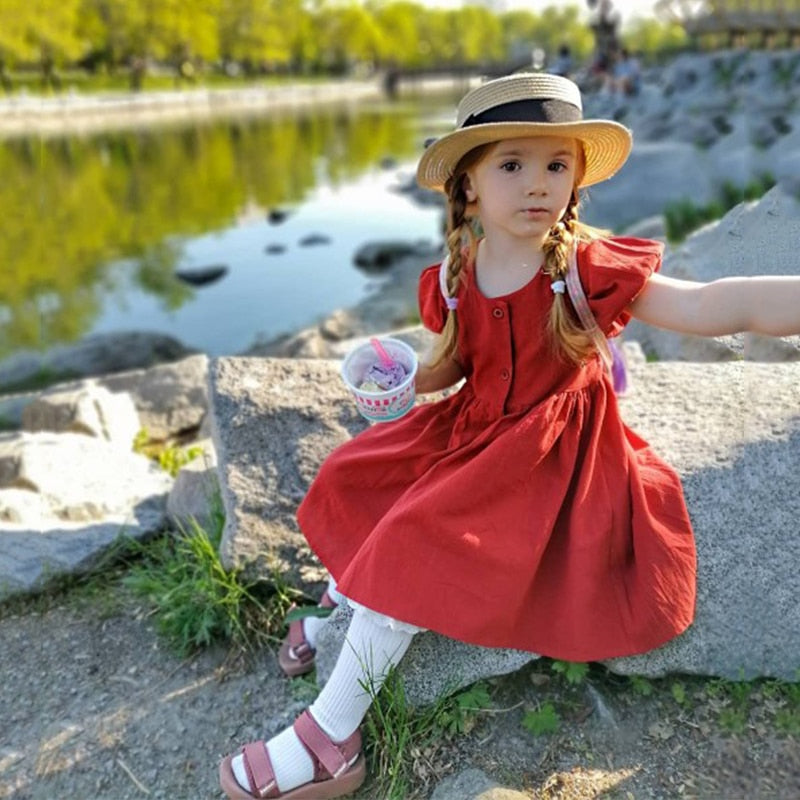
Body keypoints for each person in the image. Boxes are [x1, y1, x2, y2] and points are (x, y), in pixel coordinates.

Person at [219, 72, 800, 799]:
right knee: (355, 473)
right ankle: (348, 601)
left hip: (550, 450)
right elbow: (458, 364)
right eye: (512, 164)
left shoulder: (585, 269)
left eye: (556, 165)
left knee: (420, 537)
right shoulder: (461, 271)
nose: (538, 185)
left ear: (576, 178)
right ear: (467, 186)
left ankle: (332, 738)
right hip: (474, 426)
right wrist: (409, 384)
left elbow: (721, 303)